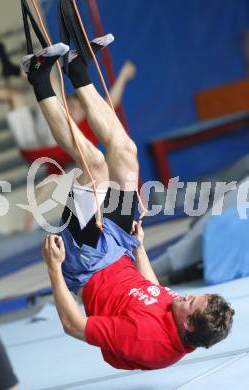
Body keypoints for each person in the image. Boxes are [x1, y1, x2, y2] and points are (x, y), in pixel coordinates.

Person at [23, 37, 234, 370]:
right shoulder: (182, 319)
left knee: (93, 164)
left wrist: (53, 268)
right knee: (125, 154)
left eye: (189, 301)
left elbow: (73, 326)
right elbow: (152, 290)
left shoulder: (145, 340)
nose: (183, 295)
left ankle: (37, 76)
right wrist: (139, 249)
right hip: (122, 247)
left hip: (87, 262)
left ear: (188, 324)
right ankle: (77, 68)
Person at [0, 40, 136, 231]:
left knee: (54, 89)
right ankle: (21, 71)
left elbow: (111, 100)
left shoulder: (88, 125)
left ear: (83, 110)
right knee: (15, 97)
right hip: (39, 143)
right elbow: (51, 179)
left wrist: (123, 77)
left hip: (36, 149)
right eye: (71, 105)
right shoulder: (71, 134)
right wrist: (31, 211)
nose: (71, 109)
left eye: (75, 107)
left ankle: (20, 70)